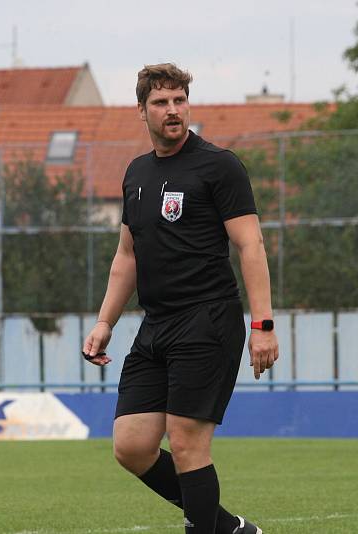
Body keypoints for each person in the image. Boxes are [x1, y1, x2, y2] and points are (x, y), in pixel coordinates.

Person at [82, 63, 278, 534]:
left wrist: (263, 325)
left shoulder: (219, 165)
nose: (173, 111)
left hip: (208, 320)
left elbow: (250, 245)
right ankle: (228, 527)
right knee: (130, 446)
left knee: (188, 443)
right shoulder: (136, 173)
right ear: (141, 111)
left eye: (179, 100)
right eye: (161, 103)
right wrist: (105, 321)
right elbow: (126, 255)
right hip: (156, 325)